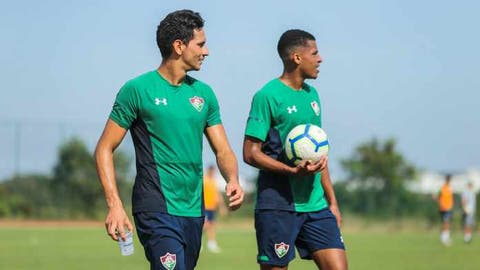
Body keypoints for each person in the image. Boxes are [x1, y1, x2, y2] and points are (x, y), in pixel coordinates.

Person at [94, 9, 244, 270]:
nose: (206, 51)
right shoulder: (138, 90)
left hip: (193, 210)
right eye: (201, 44)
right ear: (178, 46)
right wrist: (114, 204)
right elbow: (104, 149)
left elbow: (223, 151)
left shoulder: (204, 94)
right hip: (155, 206)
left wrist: (233, 179)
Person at [243, 29, 348, 270]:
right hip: (278, 205)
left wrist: (332, 201)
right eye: (315, 53)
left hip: (316, 205)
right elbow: (250, 153)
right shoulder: (267, 96)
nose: (320, 59)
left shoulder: (313, 95)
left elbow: (320, 154)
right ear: (297, 58)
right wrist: (290, 171)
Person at [203, 165, 228, 253]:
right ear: (209, 171)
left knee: (212, 225)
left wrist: (222, 207)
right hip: (204, 207)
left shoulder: (214, 181)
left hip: (212, 207)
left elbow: (217, 195)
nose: (213, 173)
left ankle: (211, 243)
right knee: (205, 225)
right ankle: (198, 243)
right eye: (212, 171)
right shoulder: (204, 180)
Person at [438, 174, 454, 245]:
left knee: (447, 222)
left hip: (449, 207)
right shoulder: (444, 187)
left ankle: (445, 236)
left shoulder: (450, 187)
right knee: (446, 222)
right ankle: (444, 238)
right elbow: (440, 198)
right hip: (444, 208)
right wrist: (442, 205)